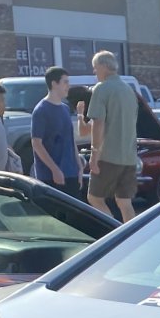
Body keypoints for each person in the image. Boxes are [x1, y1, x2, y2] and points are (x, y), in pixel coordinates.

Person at [84, 49, 138, 220]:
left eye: (95, 68)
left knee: (94, 198)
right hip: (129, 157)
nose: (94, 72)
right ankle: (132, 236)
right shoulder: (129, 91)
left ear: (104, 66)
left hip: (108, 156)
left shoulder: (101, 89)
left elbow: (98, 123)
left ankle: (114, 233)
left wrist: (94, 155)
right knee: (124, 201)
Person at [31, 66, 81, 195]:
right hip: (50, 176)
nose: (68, 86)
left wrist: (79, 166)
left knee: (73, 213)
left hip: (71, 173)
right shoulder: (41, 110)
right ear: (54, 83)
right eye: (65, 82)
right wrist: (55, 170)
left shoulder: (65, 109)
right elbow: (36, 143)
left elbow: (70, 139)